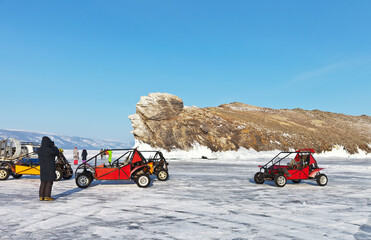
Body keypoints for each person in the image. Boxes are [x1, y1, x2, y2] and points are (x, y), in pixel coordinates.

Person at [38, 136, 59, 201]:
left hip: (42, 168)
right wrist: (54, 146)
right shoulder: (50, 150)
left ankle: (41, 196)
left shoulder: (40, 150)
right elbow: (57, 153)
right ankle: (47, 196)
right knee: (49, 182)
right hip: (50, 167)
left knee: (43, 182)